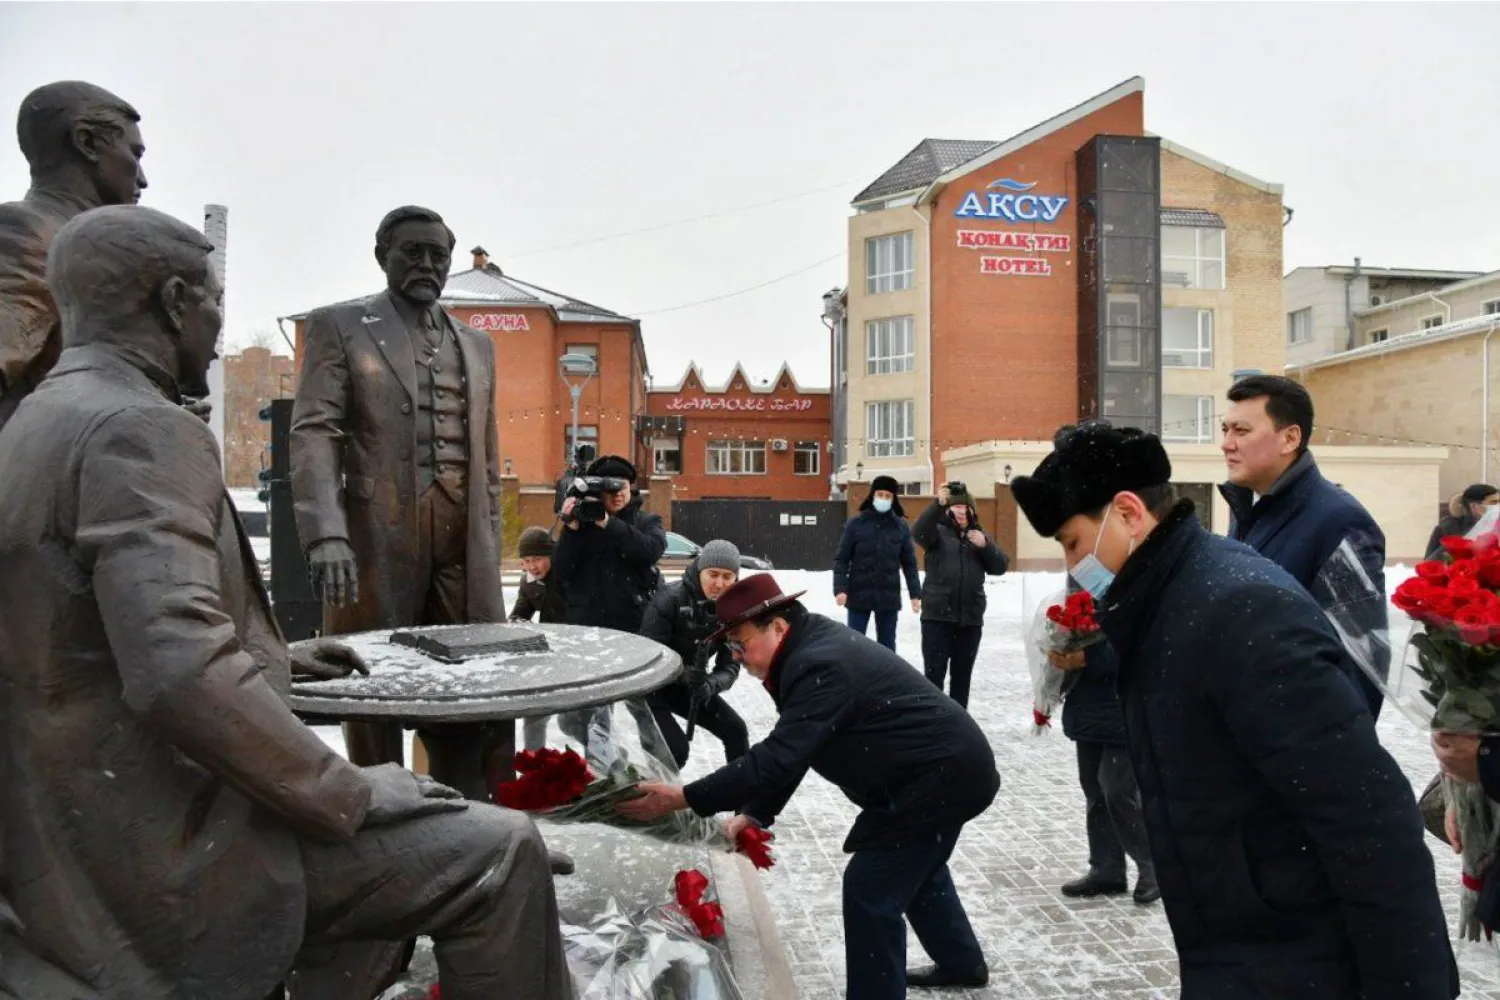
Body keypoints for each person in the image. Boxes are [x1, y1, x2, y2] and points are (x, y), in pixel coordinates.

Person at [0, 205, 570, 1000]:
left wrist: (271, 656)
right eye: (213, 306)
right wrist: (354, 788)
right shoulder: (141, 428)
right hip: (167, 854)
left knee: (465, 769)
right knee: (505, 851)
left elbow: (101, 632)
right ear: (173, 301)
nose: (215, 328)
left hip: (73, 829)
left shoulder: (35, 420)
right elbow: (173, 671)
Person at [1012, 420, 1456, 999]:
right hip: (1237, 940)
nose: (1074, 566)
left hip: (1297, 951)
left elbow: (1367, 819)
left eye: (1073, 542)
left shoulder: (1236, 608)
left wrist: (1410, 986)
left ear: (1127, 514)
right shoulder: (1161, 602)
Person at [618, 574, 999, 998]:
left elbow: (781, 754)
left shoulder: (820, 663)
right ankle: (962, 962)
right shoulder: (806, 651)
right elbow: (802, 746)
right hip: (941, 771)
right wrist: (756, 812)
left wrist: (685, 797)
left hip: (939, 777)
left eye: (741, 643)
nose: (738, 657)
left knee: (871, 888)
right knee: (915, 870)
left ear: (778, 627)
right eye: (732, 648)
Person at [290, 205, 507, 775]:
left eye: (439, 255)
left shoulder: (478, 345)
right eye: (413, 251)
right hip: (375, 536)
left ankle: (470, 810)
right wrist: (325, 536)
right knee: (370, 680)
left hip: (463, 539)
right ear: (382, 255)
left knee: (475, 682)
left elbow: (485, 454)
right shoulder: (340, 326)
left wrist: (490, 532)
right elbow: (314, 431)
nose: (427, 264)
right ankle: (378, 807)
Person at [1218, 374, 1388, 718]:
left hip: (1294, 742)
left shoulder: (1338, 520)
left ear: (1290, 438)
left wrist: (1329, 753)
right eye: (1225, 430)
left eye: (1242, 431)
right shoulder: (1249, 509)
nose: (1226, 444)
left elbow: (1362, 660)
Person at [1, 81, 147, 431]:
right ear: (86, 143)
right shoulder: (25, 232)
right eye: (134, 154)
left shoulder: (88, 245)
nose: (143, 179)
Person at [553, 454, 667, 750]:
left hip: (631, 630)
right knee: (588, 715)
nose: (617, 494)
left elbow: (648, 550)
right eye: (609, 488)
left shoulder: (647, 521)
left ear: (632, 487)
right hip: (588, 634)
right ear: (596, 491)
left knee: (640, 709)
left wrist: (607, 522)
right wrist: (572, 532)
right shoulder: (580, 526)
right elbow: (562, 572)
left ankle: (654, 767)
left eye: (623, 486)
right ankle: (609, 765)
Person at [1048, 636, 1158, 905]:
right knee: (1095, 791)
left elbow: (1134, 650)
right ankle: (1106, 870)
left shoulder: (1133, 600)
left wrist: (1089, 655)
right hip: (1088, 709)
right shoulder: (1077, 601)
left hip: (1125, 709)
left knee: (1117, 790)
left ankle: (1153, 866)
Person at [639, 539, 751, 767]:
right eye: (713, 574)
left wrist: (711, 684)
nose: (719, 583)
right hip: (650, 689)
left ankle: (742, 795)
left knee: (736, 730)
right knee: (675, 750)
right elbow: (648, 657)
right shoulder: (669, 599)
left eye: (727, 577)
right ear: (700, 571)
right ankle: (653, 796)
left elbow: (730, 665)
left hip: (690, 686)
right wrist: (683, 673)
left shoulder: (733, 611)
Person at [910, 483, 1007, 707]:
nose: (962, 511)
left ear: (972, 511)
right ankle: (933, 725)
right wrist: (937, 504)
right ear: (949, 510)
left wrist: (986, 546)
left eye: (966, 507)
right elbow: (918, 532)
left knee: (962, 680)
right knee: (934, 679)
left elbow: (1000, 566)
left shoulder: (979, 535)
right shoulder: (937, 533)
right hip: (937, 619)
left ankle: (958, 727)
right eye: (957, 507)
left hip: (970, 621)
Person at [833, 475, 921, 652]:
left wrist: (915, 594)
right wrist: (840, 589)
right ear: (873, 495)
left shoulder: (900, 527)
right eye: (880, 494)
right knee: (854, 645)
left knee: (887, 647)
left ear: (893, 499)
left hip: (888, 596)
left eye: (888, 496)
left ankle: (885, 680)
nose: (884, 499)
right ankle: (854, 679)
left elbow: (910, 563)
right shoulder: (856, 524)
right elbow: (841, 560)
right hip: (858, 594)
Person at [509, 525, 565, 750]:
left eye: (539, 559)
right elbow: (520, 613)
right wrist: (513, 626)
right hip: (551, 656)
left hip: (580, 653)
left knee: (580, 722)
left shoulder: (565, 575)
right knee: (534, 715)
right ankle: (535, 764)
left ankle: (606, 765)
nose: (533, 566)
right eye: (527, 560)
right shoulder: (528, 583)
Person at [1426, 483, 1498, 559]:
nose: (1498, 506)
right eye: (1494, 502)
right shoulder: (1447, 528)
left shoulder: (1496, 525)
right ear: (1474, 506)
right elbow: (1430, 563)